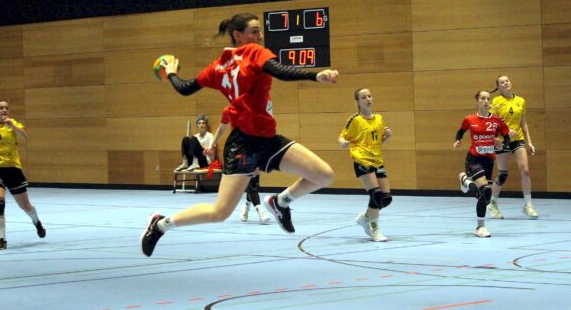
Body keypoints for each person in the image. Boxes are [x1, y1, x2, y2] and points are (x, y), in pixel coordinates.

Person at [141, 13, 338, 256]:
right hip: (242, 145)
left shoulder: (217, 66)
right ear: (238, 35)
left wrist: (171, 73)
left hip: (267, 138)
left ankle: (280, 202)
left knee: (324, 175)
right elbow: (281, 71)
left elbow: (184, 88)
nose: (260, 35)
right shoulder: (254, 53)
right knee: (220, 213)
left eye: (259, 31)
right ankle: (160, 224)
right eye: (254, 31)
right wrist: (314, 75)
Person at [0, 100, 46, 250]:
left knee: (25, 206)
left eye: (6, 108)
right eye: (1, 108)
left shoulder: (13, 125)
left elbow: (25, 136)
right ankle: (2, 239)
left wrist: (12, 126)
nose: (4, 110)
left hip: (12, 169)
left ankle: (37, 222)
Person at [455, 91, 514, 238]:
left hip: (489, 161)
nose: (486, 101)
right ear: (477, 101)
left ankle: (465, 182)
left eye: (488, 98)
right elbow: (461, 131)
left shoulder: (496, 120)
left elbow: (506, 137)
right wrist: (458, 140)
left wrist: (502, 145)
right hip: (474, 159)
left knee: (485, 196)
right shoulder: (470, 119)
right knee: (486, 191)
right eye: (483, 98)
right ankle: (480, 227)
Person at [338, 88, 393, 242]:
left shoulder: (379, 119)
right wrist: (344, 143)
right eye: (364, 97)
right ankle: (374, 229)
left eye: (369, 96)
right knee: (375, 195)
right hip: (361, 159)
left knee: (386, 198)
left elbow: (379, 142)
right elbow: (342, 137)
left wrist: (387, 137)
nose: (368, 99)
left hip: (377, 159)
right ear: (358, 102)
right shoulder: (355, 120)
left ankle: (365, 217)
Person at [204, 109, 270, 224]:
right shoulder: (230, 110)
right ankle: (260, 210)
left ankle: (246, 206)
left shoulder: (255, 106)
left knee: (253, 179)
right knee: (249, 176)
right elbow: (221, 128)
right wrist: (211, 144)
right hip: (239, 148)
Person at [487, 75, 538, 219]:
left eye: (507, 80)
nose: (505, 83)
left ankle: (528, 205)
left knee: (525, 170)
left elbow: (523, 123)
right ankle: (492, 203)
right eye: (502, 82)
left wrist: (530, 142)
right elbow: (492, 123)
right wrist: (503, 134)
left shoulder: (520, 101)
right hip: (502, 140)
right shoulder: (496, 102)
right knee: (503, 174)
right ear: (498, 87)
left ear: (511, 82)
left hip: (518, 139)